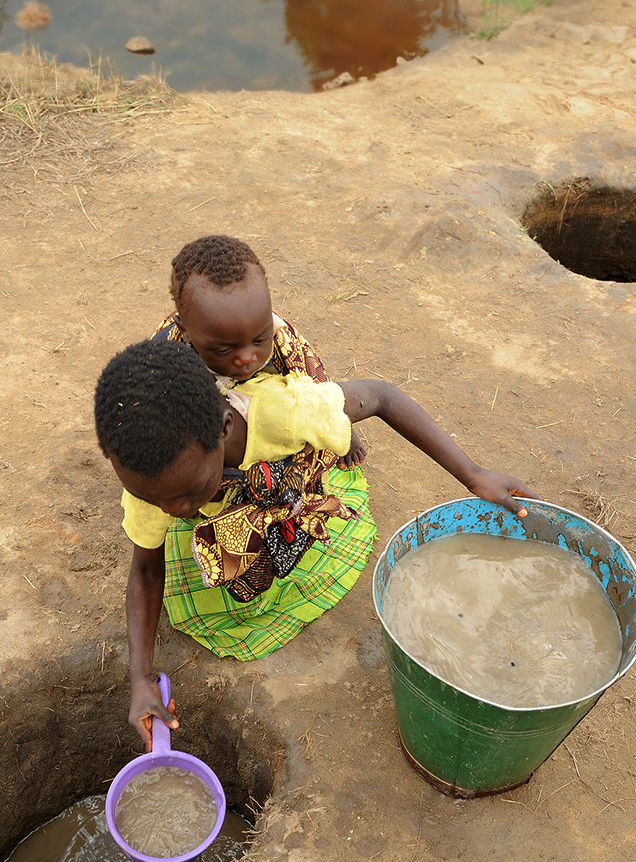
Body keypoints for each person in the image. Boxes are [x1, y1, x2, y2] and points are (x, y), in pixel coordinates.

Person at [95, 235, 536, 746]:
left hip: (287, 437)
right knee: (203, 538)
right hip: (216, 432)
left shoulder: (281, 409)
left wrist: (474, 475)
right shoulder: (153, 457)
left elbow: (383, 396)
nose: (175, 511)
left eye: (190, 491)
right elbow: (146, 566)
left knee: (300, 467)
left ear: (222, 432)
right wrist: (140, 678)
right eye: (158, 500)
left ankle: (326, 443)